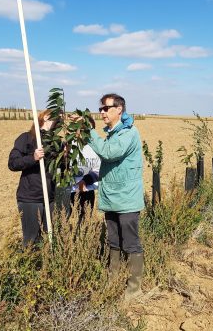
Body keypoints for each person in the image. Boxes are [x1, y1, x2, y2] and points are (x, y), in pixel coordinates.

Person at [86, 93, 145, 301]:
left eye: (106, 108)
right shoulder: (113, 132)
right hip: (112, 197)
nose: (102, 112)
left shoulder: (128, 133)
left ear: (119, 109)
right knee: (113, 241)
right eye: (100, 108)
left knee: (130, 243)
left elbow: (110, 153)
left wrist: (89, 133)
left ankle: (134, 289)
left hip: (127, 199)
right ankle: (112, 280)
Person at [8, 110, 56, 247]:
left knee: (51, 236)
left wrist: (64, 158)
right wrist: (33, 158)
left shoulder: (55, 142)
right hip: (30, 198)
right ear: (46, 117)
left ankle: (49, 264)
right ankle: (32, 265)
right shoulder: (26, 138)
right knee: (32, 240)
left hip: (51, 197)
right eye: (57, 120)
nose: (59, 124)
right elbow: (12, 164)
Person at [70, 117, 101, 222]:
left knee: (84, 222)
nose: (85, 133)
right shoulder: (68, 145)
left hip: (88, 190)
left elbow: (98, 170)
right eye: (82, 129)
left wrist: (85, 181)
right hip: (69, 190)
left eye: (89, 130)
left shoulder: (96, 147)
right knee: (64, 220)